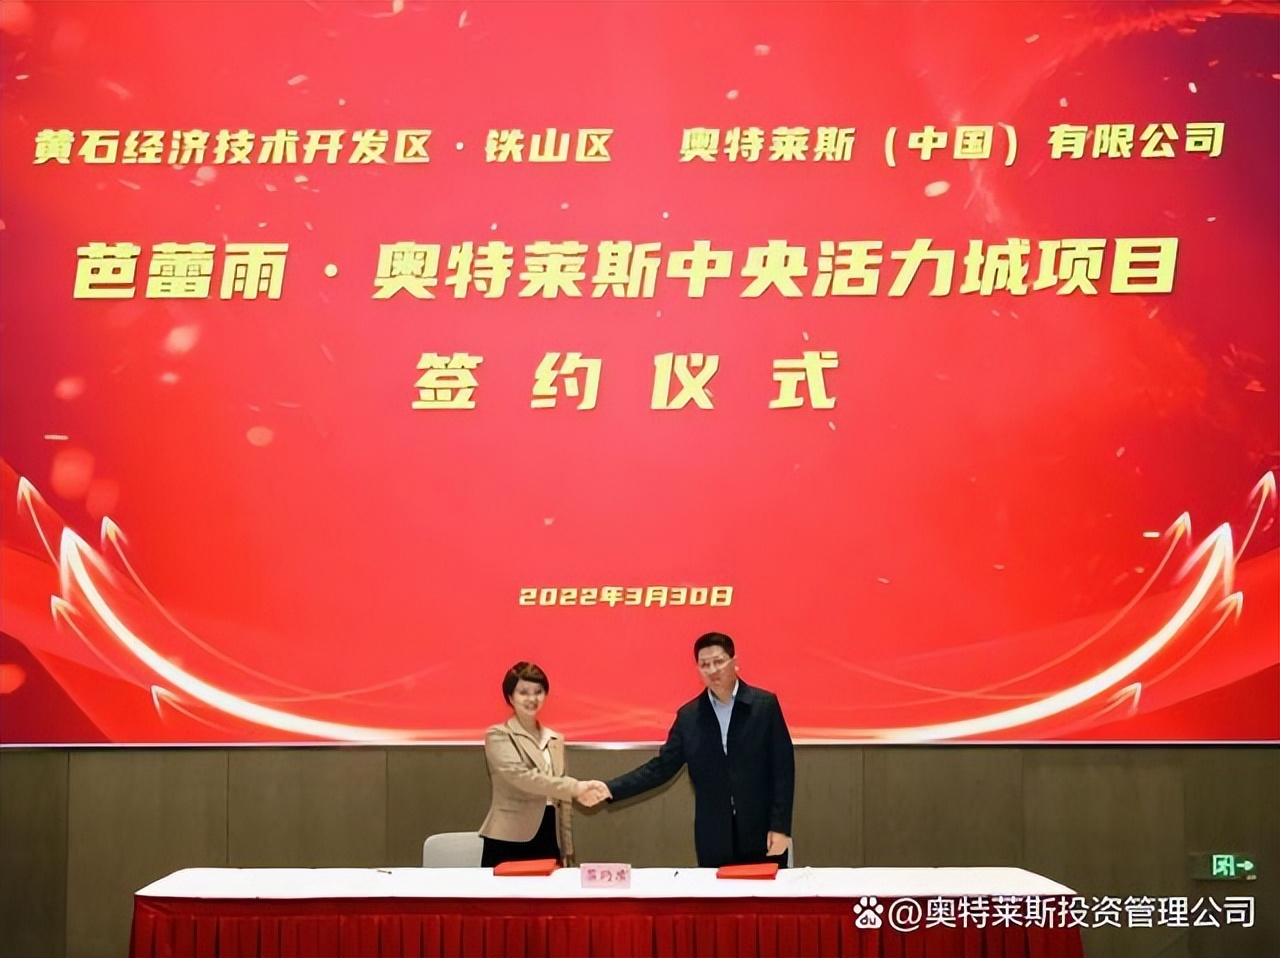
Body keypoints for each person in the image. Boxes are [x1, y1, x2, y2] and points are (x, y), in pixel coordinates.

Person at [600, 632, 795, 868]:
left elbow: (783, 770)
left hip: (762, 831)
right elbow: (661, 768)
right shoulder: (690, 717)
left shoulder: (764, 706)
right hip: (714, 837)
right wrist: (610, 788)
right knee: (716, 893)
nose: (712, 670)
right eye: (704, 665)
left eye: (718, 662)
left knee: (765, 892)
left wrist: (780, 827)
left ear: (734, 661)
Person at [478, 661, 609, 867]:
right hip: (509, 837)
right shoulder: (499, 735)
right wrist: (575, 787)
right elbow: (521, 777)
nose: (532, 699)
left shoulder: (555, 739)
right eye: (523, 692)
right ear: (510, 697)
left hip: (549, 834)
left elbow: (562, 798)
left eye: (538, 692)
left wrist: (567, 848)